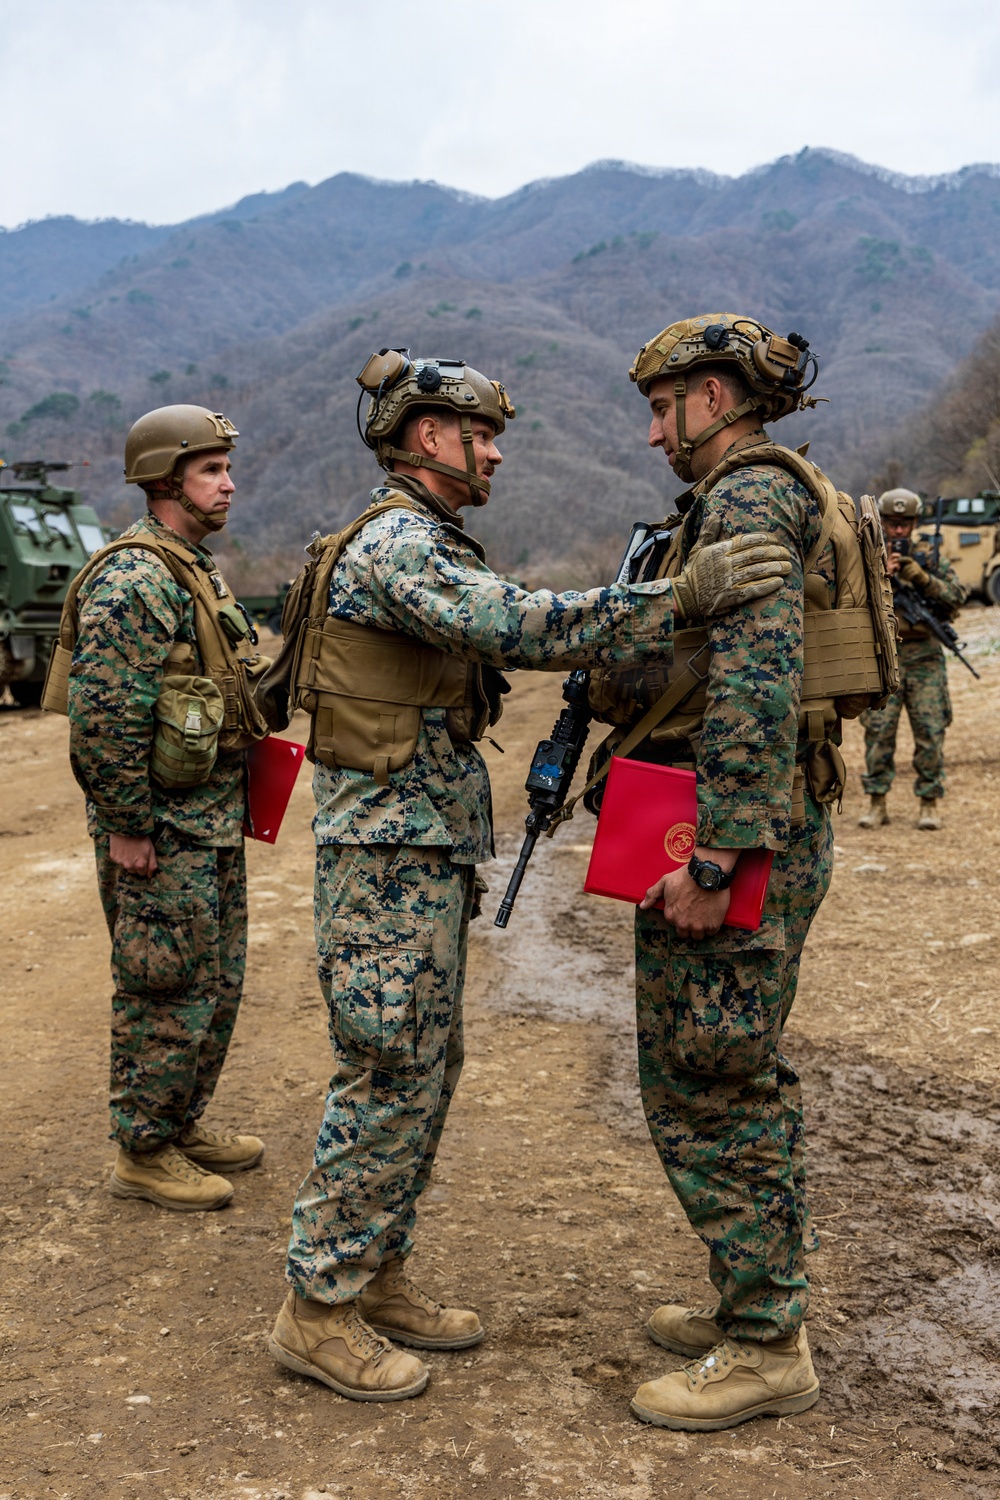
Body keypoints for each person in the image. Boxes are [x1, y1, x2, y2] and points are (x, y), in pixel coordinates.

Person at [267, 349, 793, 1402]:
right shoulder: (397, 545)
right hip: (385, 854)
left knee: (423, 1066)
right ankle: (317, 1307)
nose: (496, 453)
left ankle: (376, 1274)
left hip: (413, 848)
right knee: (387, 1071)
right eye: (481, 436)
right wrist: (676, 599)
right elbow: (515, 622)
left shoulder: (412, 537)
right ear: (430, 437)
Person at [588, 313, 863, 1432]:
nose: (656, 434)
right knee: (731, 1071)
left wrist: (715, 857)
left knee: (709, 1081)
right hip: (761, 819)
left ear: (716, 395)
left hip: (733, 832)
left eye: (664, 407)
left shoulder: (749, 495)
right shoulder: (782, 488)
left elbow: (752, 684)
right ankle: (751, 1301)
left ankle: (765, 1344)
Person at [62, 405, 270, 1212]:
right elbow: (106, 715)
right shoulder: (136, 576)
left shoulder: (191, 567)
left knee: (212, 981)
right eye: (211, 470)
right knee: (162, 985)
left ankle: (177, 1122)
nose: (228, 483)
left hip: (206, 818)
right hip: (162, 827)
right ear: (164, 480)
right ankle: (141, 1149)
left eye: (226, 468)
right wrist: (127, 827)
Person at [858, 488, 966, 831]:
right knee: (878, 733)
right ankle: (877, 803)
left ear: (915, 523)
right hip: (884, 655)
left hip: (925, 657)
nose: (899, 531)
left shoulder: (930, 557)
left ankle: (929, 802)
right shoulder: (865, 555)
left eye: (905, 523)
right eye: (892, 523)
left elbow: (956, 600)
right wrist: (882, 575)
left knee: (931, 731)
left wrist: (921, 578)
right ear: (882, 522)